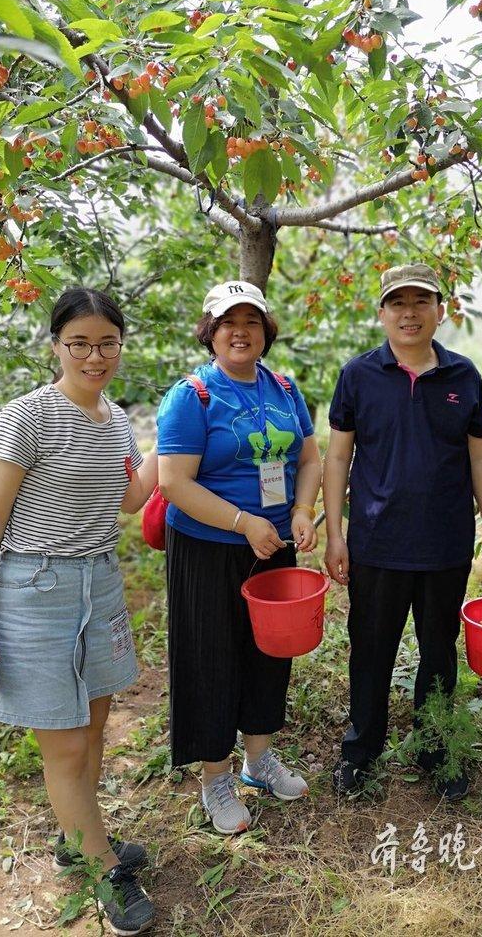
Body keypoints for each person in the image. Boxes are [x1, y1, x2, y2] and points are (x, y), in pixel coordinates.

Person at [0, 288, 158, 935]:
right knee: (67, 746)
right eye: (79, 342)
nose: (94, 356)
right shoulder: (28, 417)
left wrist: (177, 439)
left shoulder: (115, 418)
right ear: (56, 346)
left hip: (98, 584)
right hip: (33, 590)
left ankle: (80, 836)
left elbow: (127, 500)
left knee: (94, 728)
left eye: (107, 342)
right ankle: (102, 866)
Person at [323, 263, 482, 800]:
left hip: (444, 544)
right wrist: (336, 533)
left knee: (438, 651)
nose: (409, 313)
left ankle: (435, 746)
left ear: (440, 311)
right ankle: (361, 750)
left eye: (420, 302)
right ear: (381, 314)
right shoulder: (359, 375)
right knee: (370, 649)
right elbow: (338, 456)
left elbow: (479, 458)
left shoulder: (463, 376)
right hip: (376, 543)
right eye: (397, 304)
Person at [156, 280, 320, 835]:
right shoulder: (192, 396)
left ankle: (258, 760)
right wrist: (241, 520)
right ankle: (214, 778)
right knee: (211, 658)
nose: (240, 332)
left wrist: (300, 509)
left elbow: (310, 457)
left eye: (251, 321)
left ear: (266, 332)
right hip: (209, 548)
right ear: (210, 332)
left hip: (272, 546)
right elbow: (174, 483)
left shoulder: (284, 387)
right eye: (228, 322)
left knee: (269, 653)